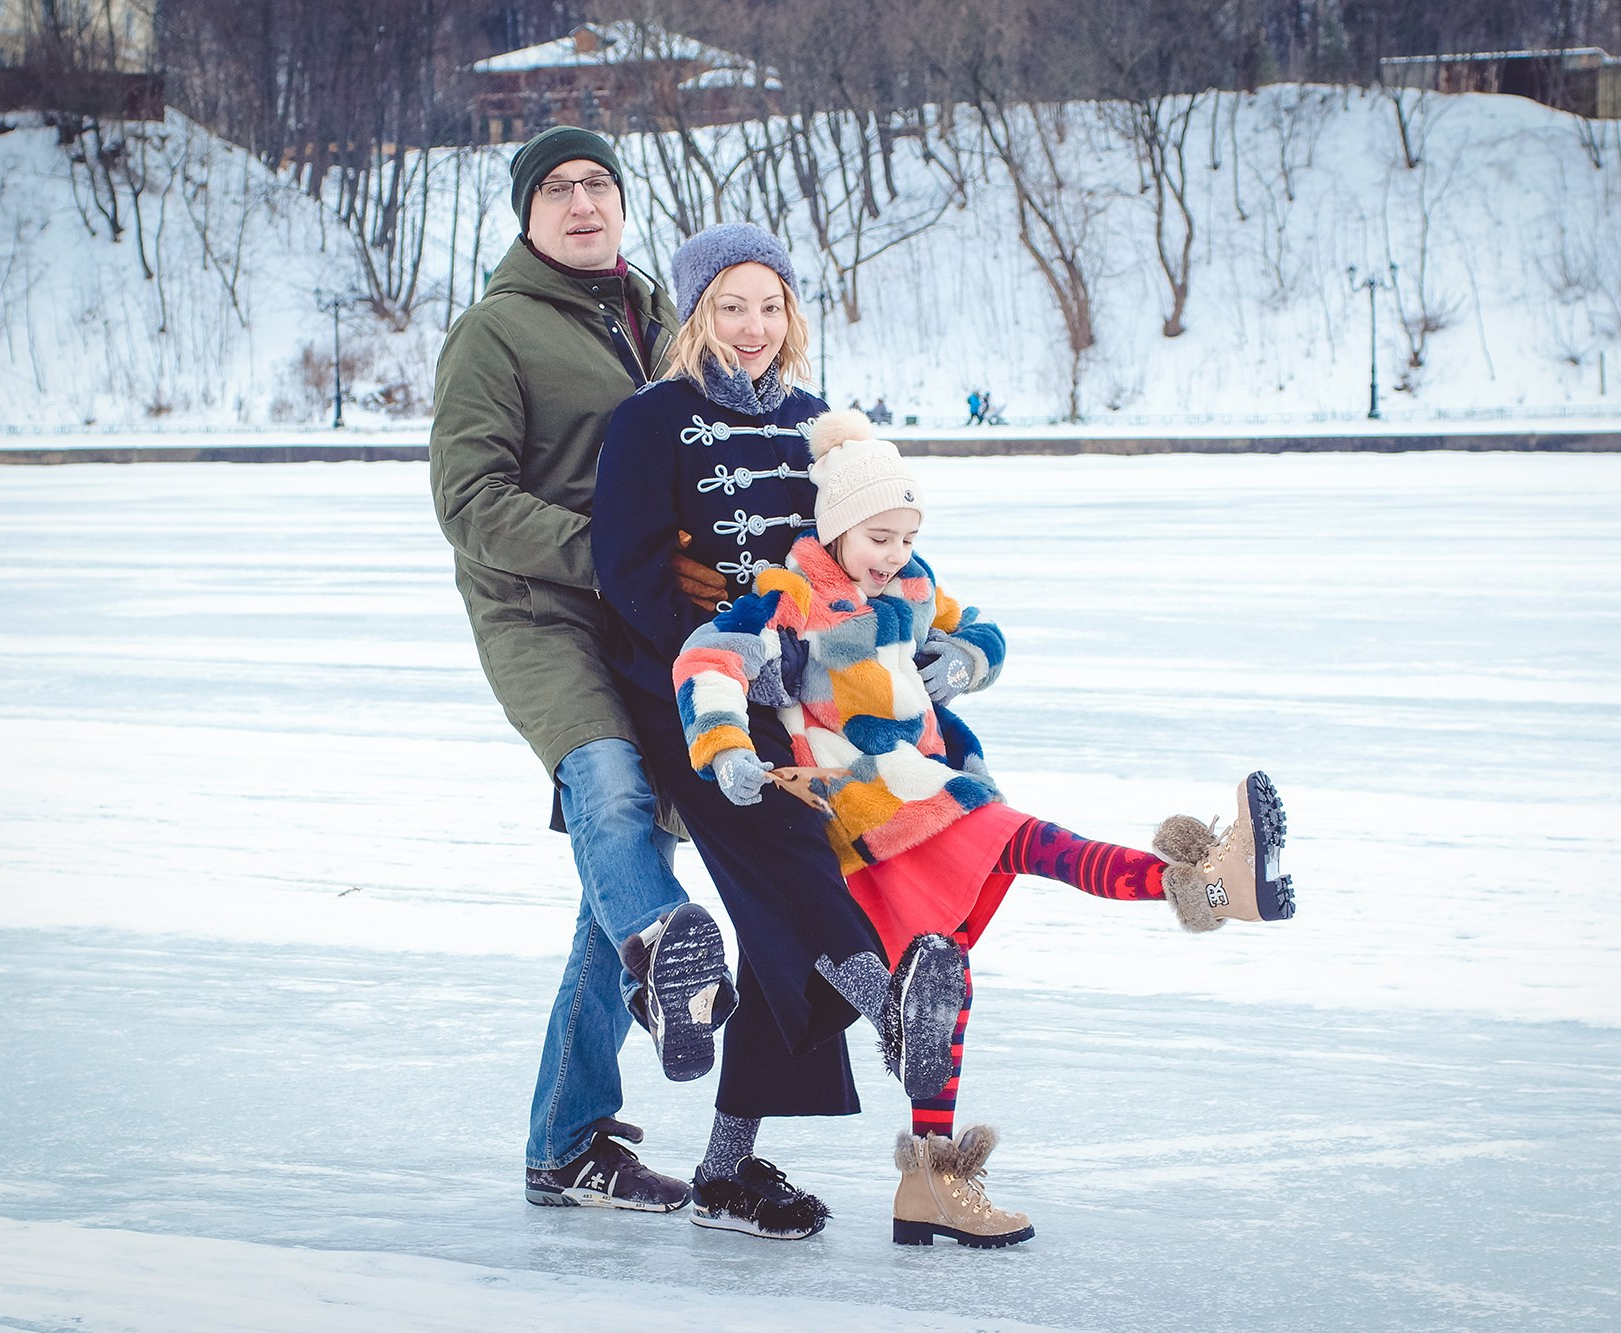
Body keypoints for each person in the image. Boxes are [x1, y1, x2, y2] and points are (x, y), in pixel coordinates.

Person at [671, 408, 1297, 1248]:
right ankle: (1206, 884)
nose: (894, 554)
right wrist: (725, 748)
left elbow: (980, 629)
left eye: (906, 537)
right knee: (1029, 842)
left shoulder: (913, 586)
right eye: (878, 537)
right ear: (837, 526)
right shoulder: (797, 594)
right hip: (871, 801)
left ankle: (928, 1182)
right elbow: (707, 657)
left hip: (925, 789)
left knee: (940, 981)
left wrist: (966, 658)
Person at [592, 223, 969, 1241]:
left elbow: (867, 547)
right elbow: (627, 572)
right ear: (695, 315)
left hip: (809, 697)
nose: (752, 327)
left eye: (769, 306)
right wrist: (721, 642)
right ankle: (895, 1016)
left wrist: (928, 633)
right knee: (794, 866)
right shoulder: (651, 420)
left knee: (776, 930)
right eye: (730, 306)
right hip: (692, 694)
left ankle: (724, 1172)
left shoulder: (815, 421)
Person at [428, 125, 740, 1216]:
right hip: (538, 611)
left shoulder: (663, 318)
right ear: (527, 213)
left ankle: (565, 1142)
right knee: (608, 787)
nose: (581, 202)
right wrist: (610, 556)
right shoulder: (493, 332)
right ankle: (664, 950)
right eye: (557, 187)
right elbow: (468, 502)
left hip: (649, 614)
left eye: (598, 182)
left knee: (614, 878)